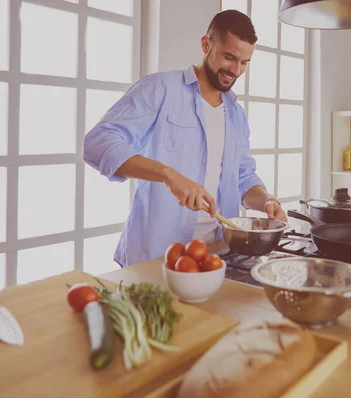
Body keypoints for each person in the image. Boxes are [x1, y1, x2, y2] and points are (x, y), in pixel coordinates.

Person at [83, 10, 287, 267]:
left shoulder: (236, 114)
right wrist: (168, 174)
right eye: (229, 57)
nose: (236, 70)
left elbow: (244, 178)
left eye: (244, 62)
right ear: (206, 44)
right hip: (155, 255)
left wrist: (267, 200)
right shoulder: (160, 89)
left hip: (216, 254)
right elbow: (97, 142)